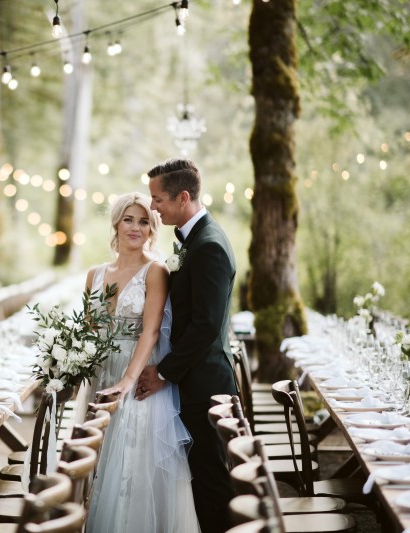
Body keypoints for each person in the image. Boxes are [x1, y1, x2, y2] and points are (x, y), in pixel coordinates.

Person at [85, 192, 200, 533]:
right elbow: (88, 332)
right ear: (116, 223)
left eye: (143, 221)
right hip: (101, 375)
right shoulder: (93, 275)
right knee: (100, 459)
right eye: (128, 219)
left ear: (151, 229)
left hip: (139, 375)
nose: (135, 227)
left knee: (132, 461)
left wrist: (127, 382)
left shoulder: (156, 271)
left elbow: (150, 332)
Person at [137, 158, 238, 533]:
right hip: (196, 382)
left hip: (205, 386)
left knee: (212, 483)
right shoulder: (196, 239)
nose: (153, 208)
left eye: (158, 199)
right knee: (204, 479)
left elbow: (206, 326)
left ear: (183, 197)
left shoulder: (208, 245)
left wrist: (164, 371)